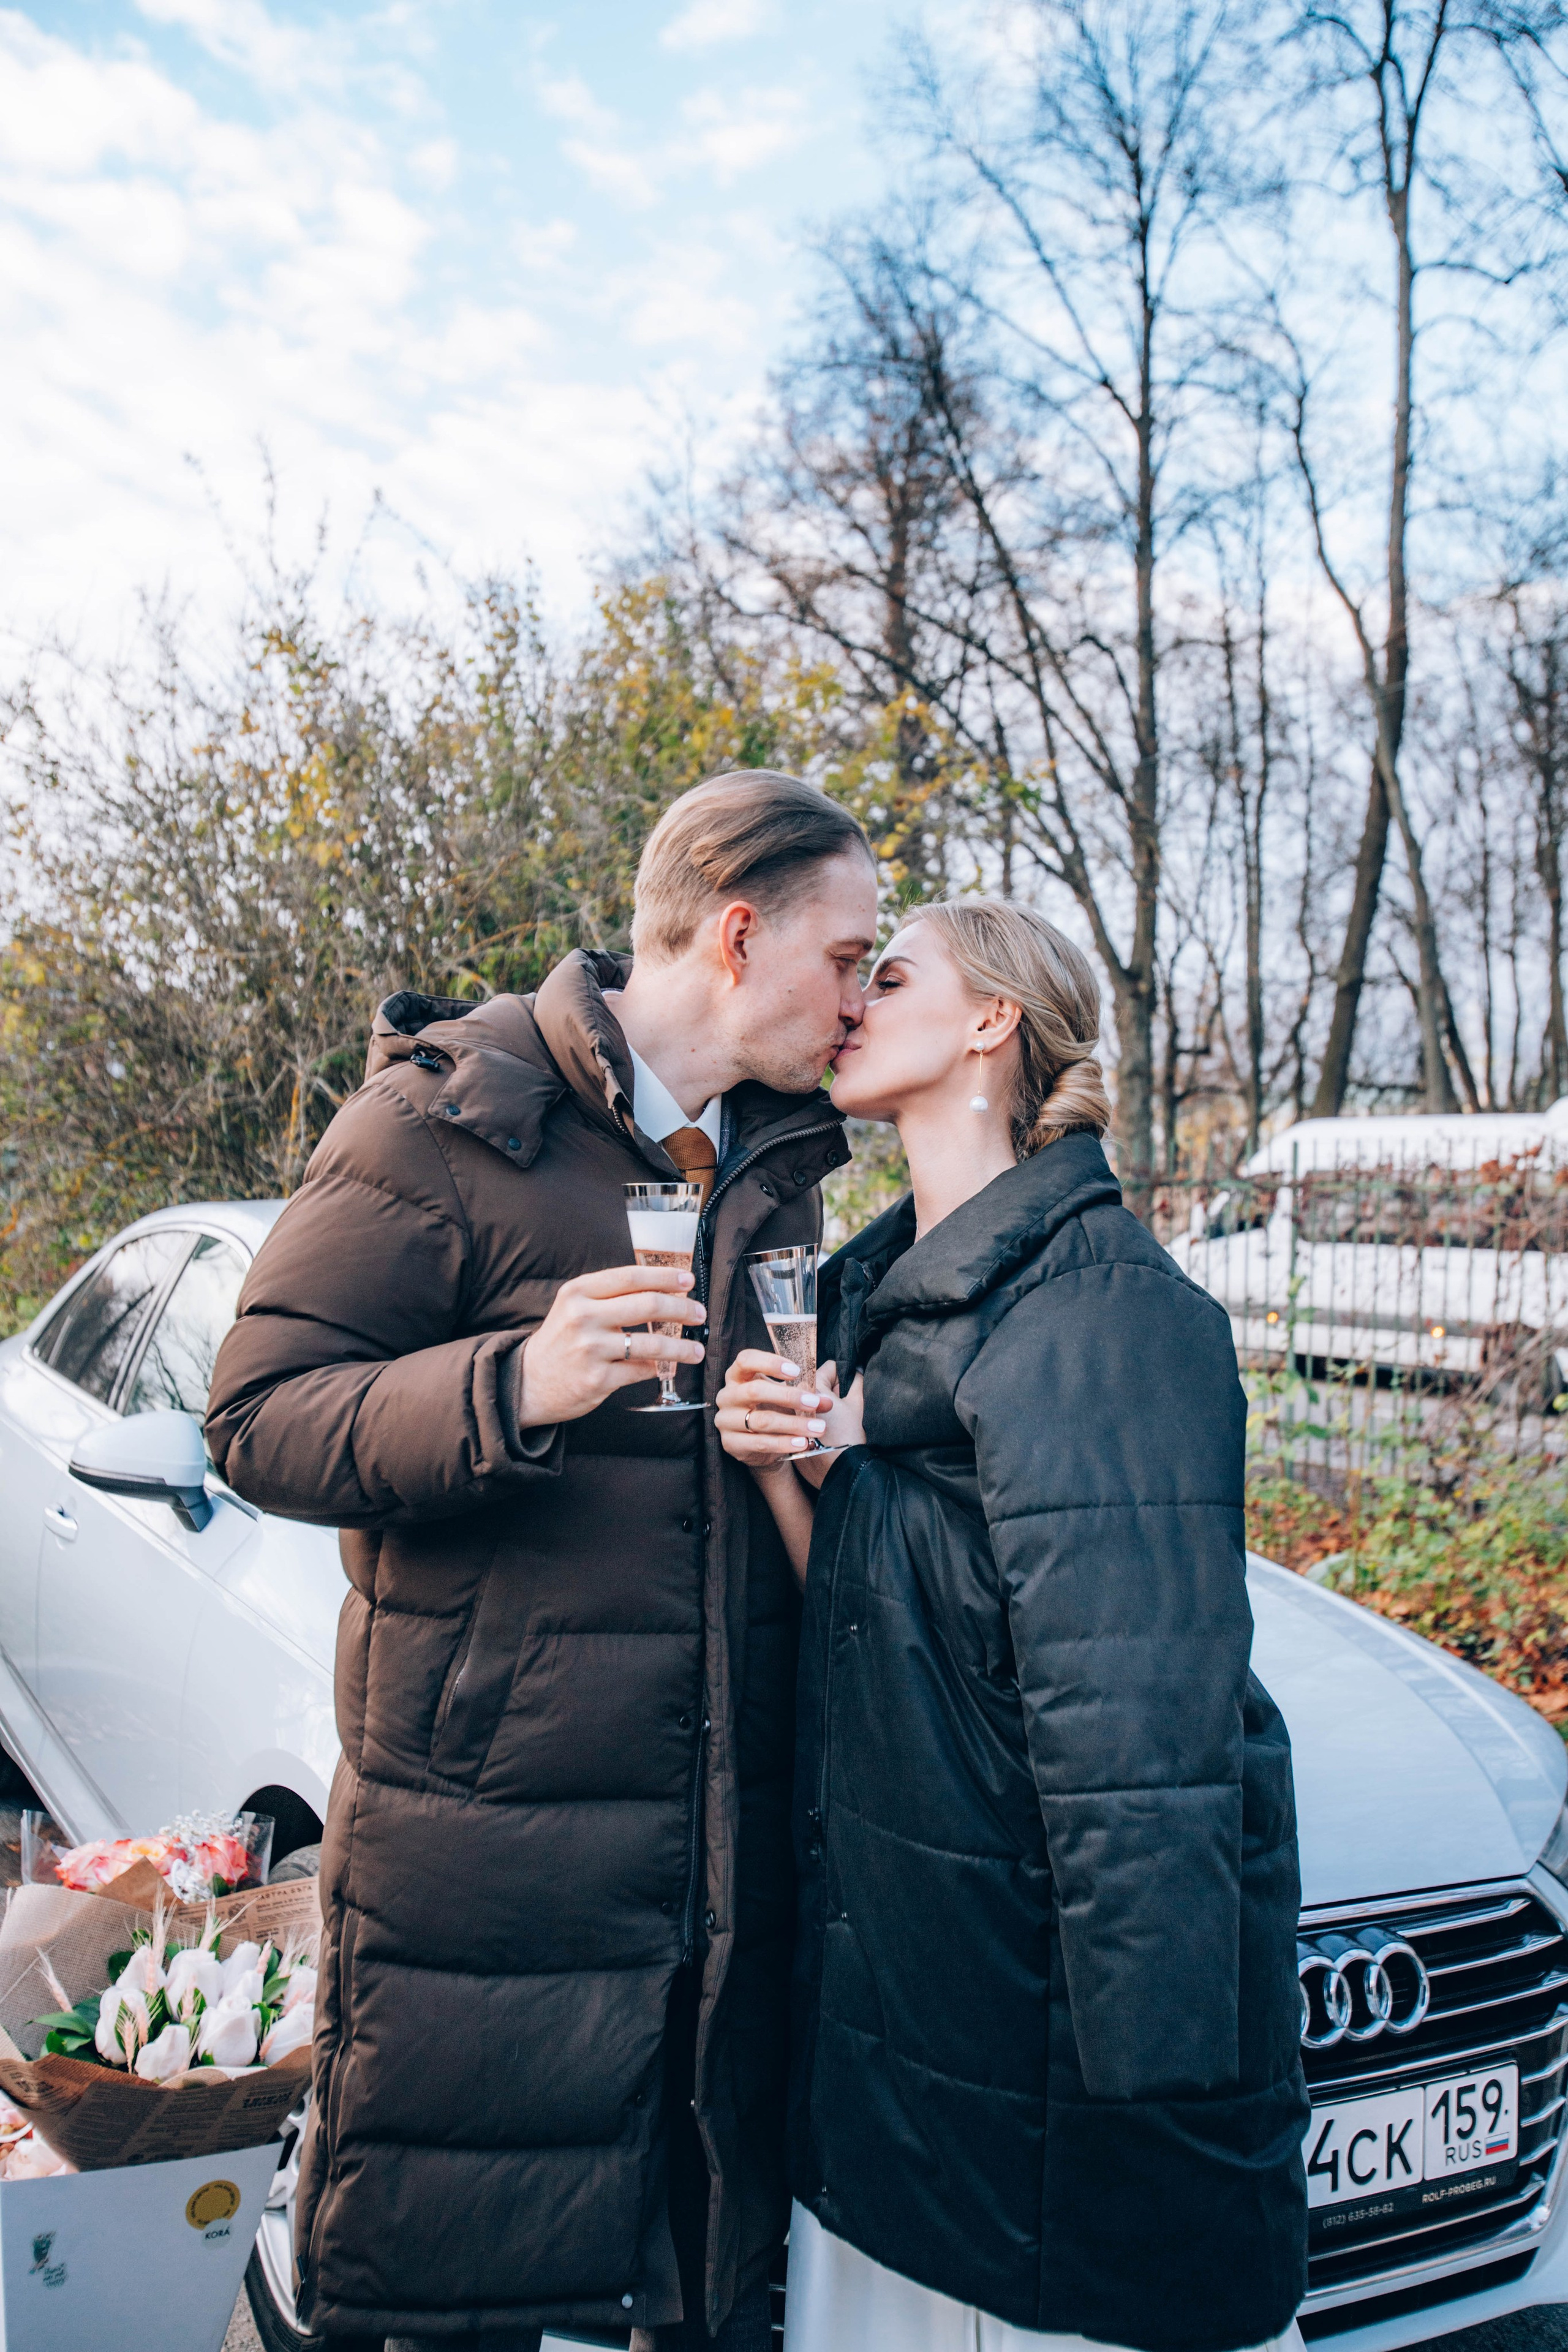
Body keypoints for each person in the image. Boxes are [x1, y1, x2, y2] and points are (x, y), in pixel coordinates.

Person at [205, 771, 879, 2352]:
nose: (861, 996)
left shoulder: (782, 1164)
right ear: (736, 934)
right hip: (493, 1868)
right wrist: (514, 1383)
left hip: (711, 1872)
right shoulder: (444, 1120)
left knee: (695, 2289)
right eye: (848, 955)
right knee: (461, 2292)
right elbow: (255, 1418)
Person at [716, 898, 1310, 2352]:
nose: (850, 999)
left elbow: (1141, 1751)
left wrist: (1153, 2141)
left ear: (990, 1025)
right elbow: (868, 1636)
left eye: (891, 972)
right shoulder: (872, 1304)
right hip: (902, 2039)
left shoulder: (1097, 1309)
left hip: (1037, 2109)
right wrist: (787, 1473)